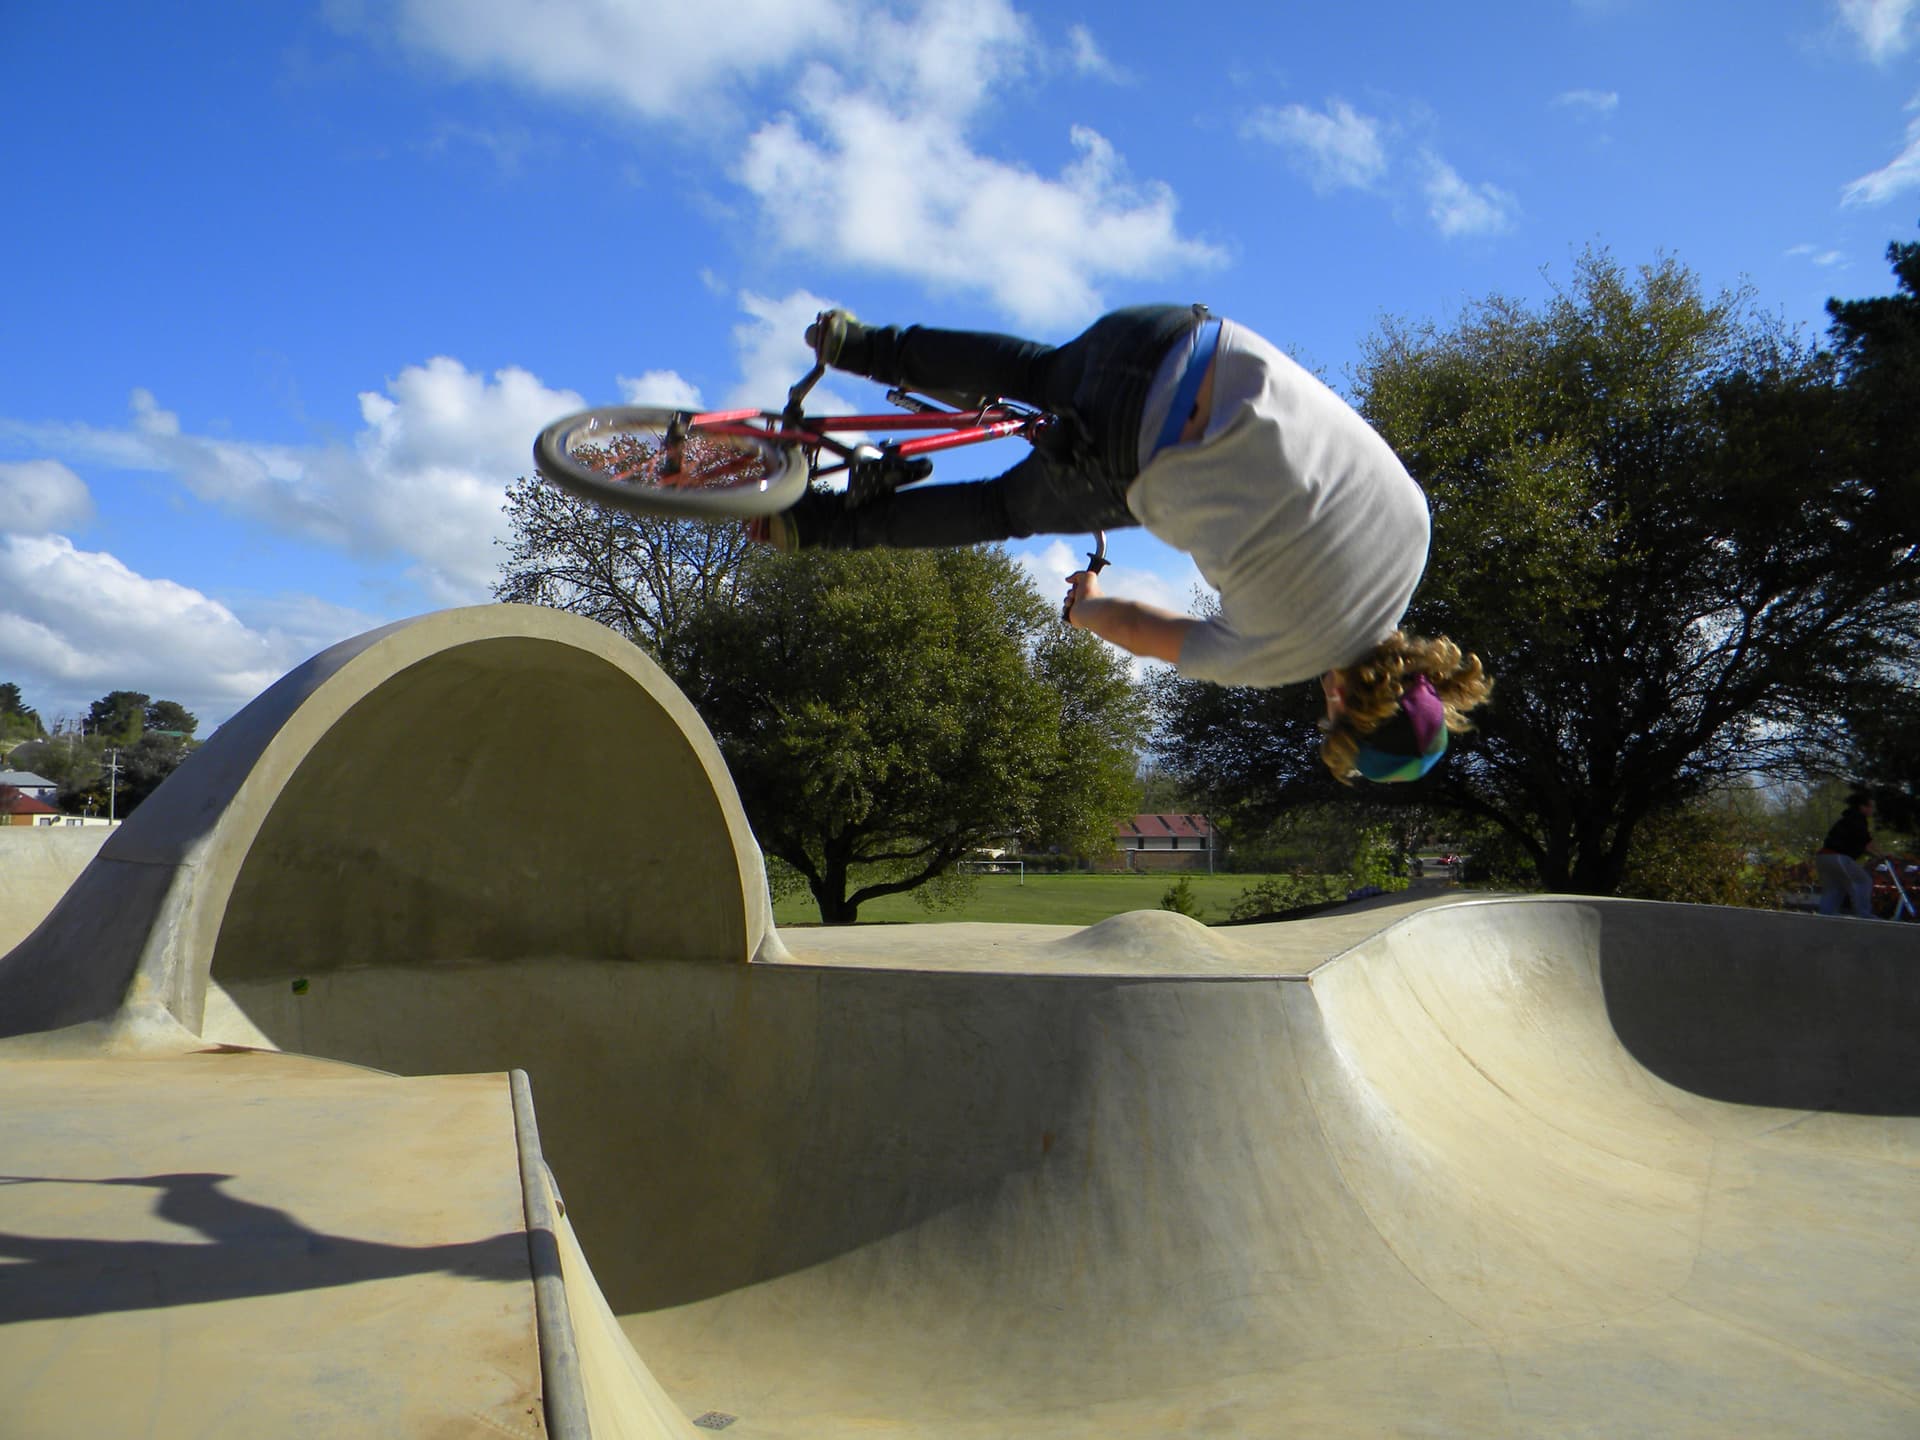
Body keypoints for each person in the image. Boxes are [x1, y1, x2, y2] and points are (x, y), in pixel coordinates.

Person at [752, 305, 1491, 782]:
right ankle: (811, 526)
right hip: (1132, 445)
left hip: (1176, 335)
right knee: (1000, 506)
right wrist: (1088, 611)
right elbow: (1142, 631)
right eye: (1332, 718)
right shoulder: (1284, 656)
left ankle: (859, 344)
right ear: (1344, 701)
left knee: (1033, 371)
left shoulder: (1414, 530)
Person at [1815, 790, 1881, 918]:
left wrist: (1875, 856)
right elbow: (1868, 843)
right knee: (1863, 881)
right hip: (1837, 857)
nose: (1873, 810)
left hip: (1822, 857)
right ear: (1862, 807)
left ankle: (1825, 916)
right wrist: (1883, 855)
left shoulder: (1846, 819)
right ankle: (1864, 914)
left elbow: (1858, 844)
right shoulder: (1858, 819)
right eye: (1871, 806)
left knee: (1835, 887)